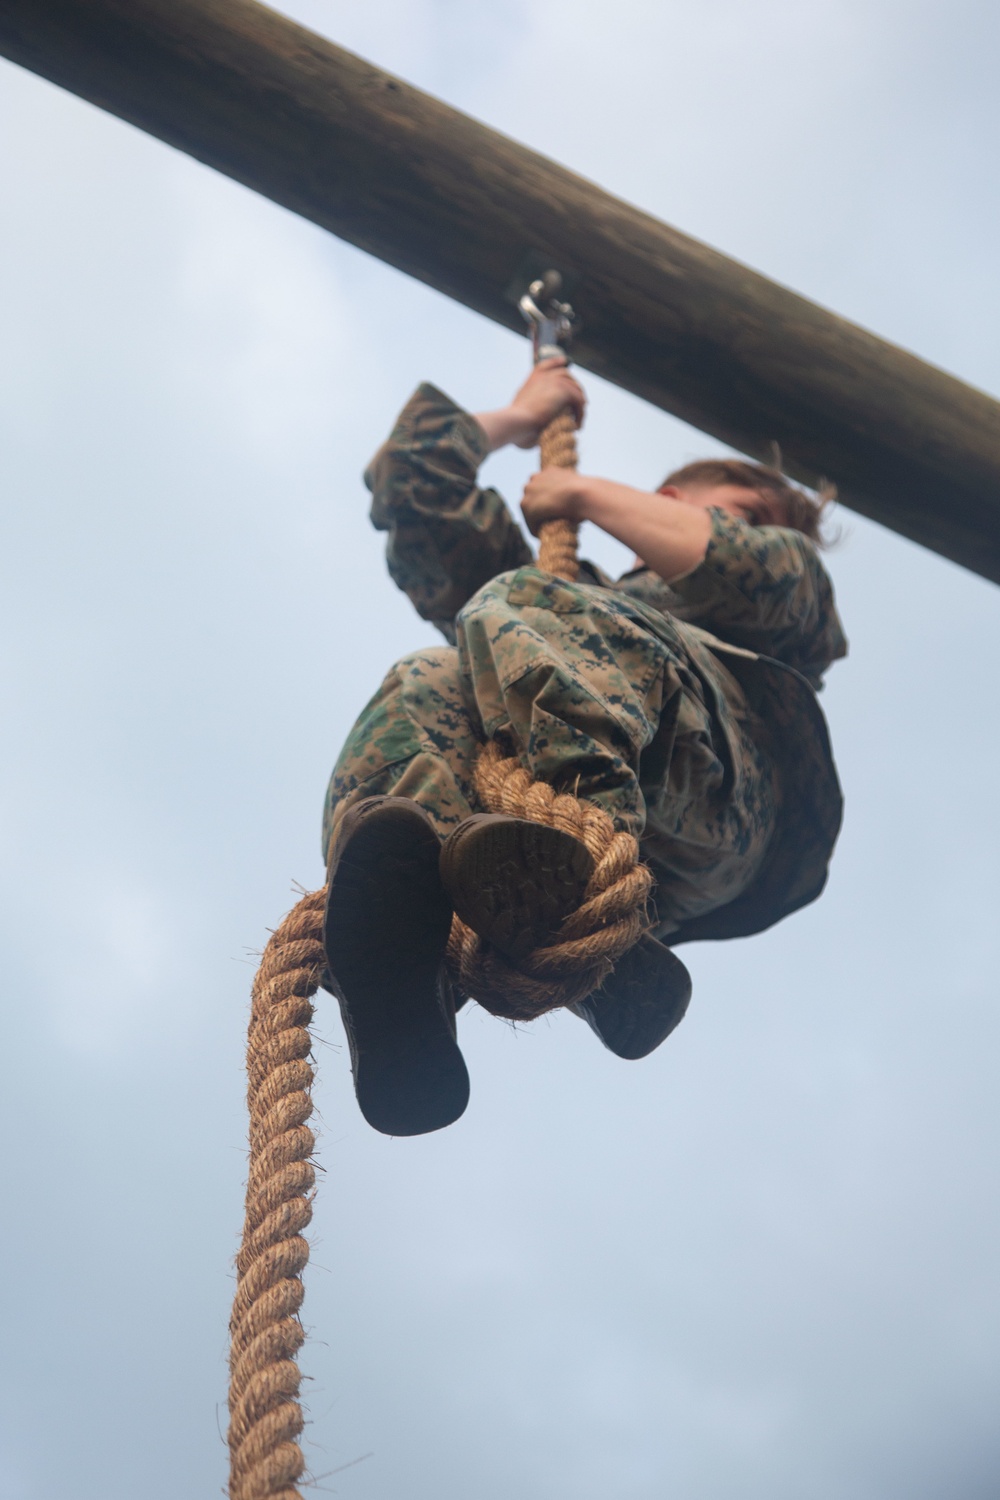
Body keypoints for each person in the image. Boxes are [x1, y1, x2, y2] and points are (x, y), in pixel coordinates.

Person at [321, 360, 847, 1136]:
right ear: (672, 498)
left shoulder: (785, 592)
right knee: (425, 679)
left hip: (715, 795)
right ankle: (410, 971)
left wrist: (582, 494)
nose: (757, 532)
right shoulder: (561, 609)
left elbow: (738, 566)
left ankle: (578, 862)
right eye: (739, 512)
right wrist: (517, 416)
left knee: (529, 602)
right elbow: (415, 486)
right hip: (579, 806)